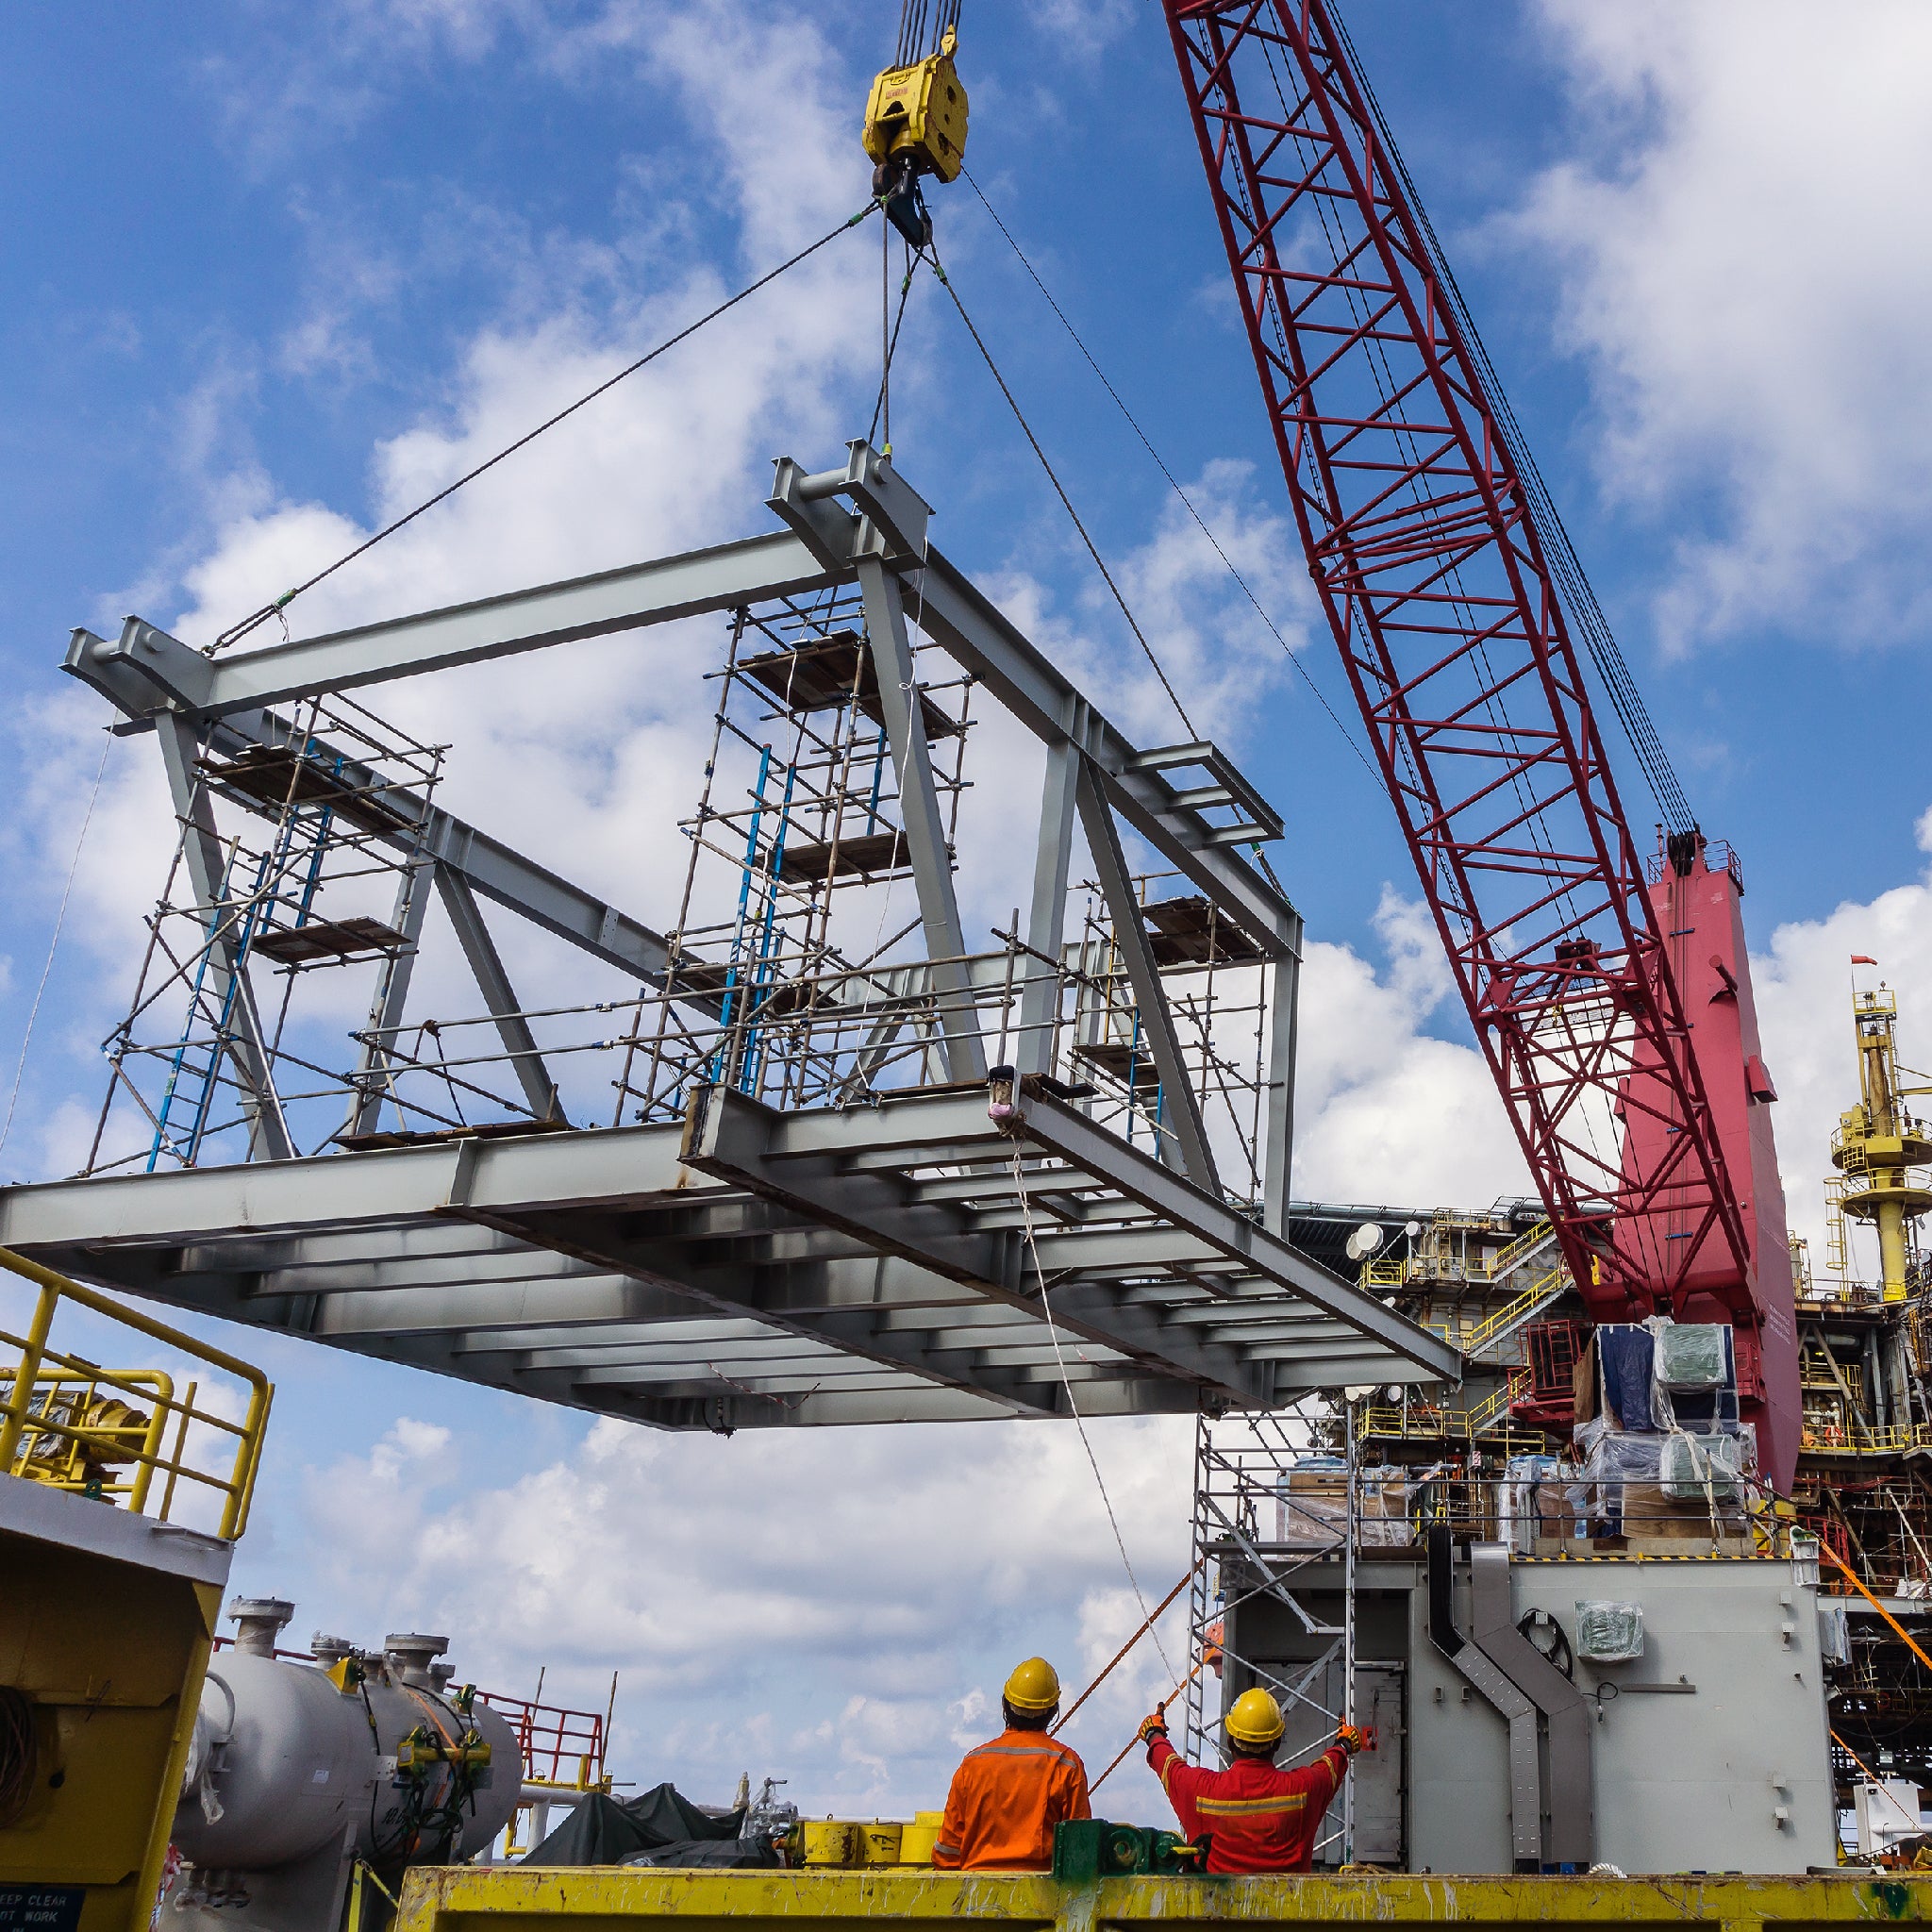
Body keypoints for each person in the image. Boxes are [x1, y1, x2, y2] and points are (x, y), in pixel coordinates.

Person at [1139, 1687, 1365, 1874]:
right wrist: (1344, 1744)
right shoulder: (1304, 1789)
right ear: (1276, 1744)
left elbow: (1168, 1763)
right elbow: (1329, 1766)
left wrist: (1153, 1734)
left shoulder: (1199, 1790)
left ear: (1229, 1741)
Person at [932, 1657, 1091, 1871]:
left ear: (1005, 1705)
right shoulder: (1066, 1764)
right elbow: (1079, 1850)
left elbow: (947, 1852)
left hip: (976, 1896)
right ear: (1053, 1710)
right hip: (1044, 1898)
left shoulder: (973, 1764)